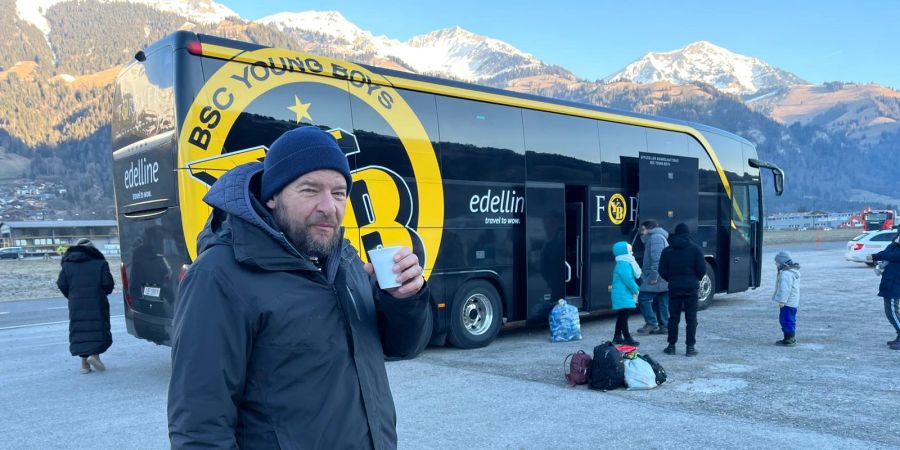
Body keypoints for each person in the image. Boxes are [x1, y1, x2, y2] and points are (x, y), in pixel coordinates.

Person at [167, 126, 431, 449]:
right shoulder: (220, 276)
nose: (329, 207)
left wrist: (403, 301)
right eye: (310, 190)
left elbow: (402, 346)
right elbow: (199, 430)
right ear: (273, 196)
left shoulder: (344, 260)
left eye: (338, 193)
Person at [56, 238, 114, 374]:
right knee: (96, 328)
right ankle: (94, 356)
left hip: (76, 302)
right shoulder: (100, 263)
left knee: (80, 329)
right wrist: (102, 293)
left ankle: (84, 365)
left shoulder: (67, 264)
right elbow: (108, 283)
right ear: (93, 250)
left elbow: (61, 283)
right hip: (97, 301)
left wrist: (71, 295)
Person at [658, 223, 706, 356]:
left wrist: (671, 279)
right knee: (691, 318)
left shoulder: (667, 251)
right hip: (691, 287)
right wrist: (694, 279)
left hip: (674, 287)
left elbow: (662, 270)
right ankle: (690, 348)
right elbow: (702, 270)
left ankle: (671, 346)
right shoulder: (696, 249)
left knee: (673, 318)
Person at [636, 220, 670, 335]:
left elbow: (657, 259)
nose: (641, 233)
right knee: (662, 300)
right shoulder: (658, 237)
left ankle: (651, 323)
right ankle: (665, 326)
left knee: (643, 298)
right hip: (663, 276)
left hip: (657, 277)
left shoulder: (655, 238)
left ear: (647, 229)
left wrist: (654, 276)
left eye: (642, 230)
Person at [869, 232, 900, 350]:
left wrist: (875, 256)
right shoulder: (895, 246)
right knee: (890, 312)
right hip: (889, 284)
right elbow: (887, 252)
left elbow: (890, 256)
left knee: (892, 312)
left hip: (895, 285)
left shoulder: (897, 251)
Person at [611, 241, 641, 346]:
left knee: (622, 315)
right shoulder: (624, 263)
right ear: (624, 251)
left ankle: (617, 336)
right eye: (629, 249)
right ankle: (627, 337)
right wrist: (636, 290)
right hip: (622, 294)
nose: (631, 251)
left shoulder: (624, 262)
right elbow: (628, 279)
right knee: (624, 316)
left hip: (622, 293)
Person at [772, 251, 801, 346]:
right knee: (789, 319)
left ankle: (789, 340)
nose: (775, 264)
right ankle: (789, 338)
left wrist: (782, 301)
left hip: (788, 302)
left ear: (782, 262)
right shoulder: (793, 271)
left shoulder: (786, 274)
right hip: (793, 302)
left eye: (777, 262)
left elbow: (785, 289)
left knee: (785, 319)